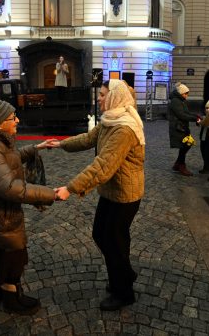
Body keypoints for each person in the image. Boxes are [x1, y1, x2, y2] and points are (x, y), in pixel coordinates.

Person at [51, 79, 145, 311]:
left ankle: (124, 292)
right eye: (100, 94)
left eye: (103, 95)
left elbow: (103, 165)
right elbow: (87, 139)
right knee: (103, 236)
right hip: (111, 192)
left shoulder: (124, 128)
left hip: (125, 195)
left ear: (114, 97)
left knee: (112, 241)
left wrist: (70, 188)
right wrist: (60, 144)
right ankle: (125, 274)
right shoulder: (110, 120)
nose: (99, 98)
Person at [0, 99, 67, 315]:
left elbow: (8, 161)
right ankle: (11, 299)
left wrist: (34, 148)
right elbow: (9, 187)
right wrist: (50, 194)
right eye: (13, 118)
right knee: (12, 255)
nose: (17, 120)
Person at [168, 83, 199, 176]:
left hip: (182, 127)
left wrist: (196, 116)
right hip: (178, 127)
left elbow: (187, 112)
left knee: (186, 145)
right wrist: (195, 119)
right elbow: (181, 115)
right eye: (185, 93)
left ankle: (177, 164)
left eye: (187, 93)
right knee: (185, 145)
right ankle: (181, 166)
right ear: (180, 93)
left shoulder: (181, 100)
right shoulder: (175, 101)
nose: (187, 95)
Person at [198, 100, 209, 174]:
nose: (207, 109)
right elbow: (199, 124)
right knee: (203, 152)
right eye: (206, 108)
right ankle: (206, 167)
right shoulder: (203, 116)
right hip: (203, 137)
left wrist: (203, 121)